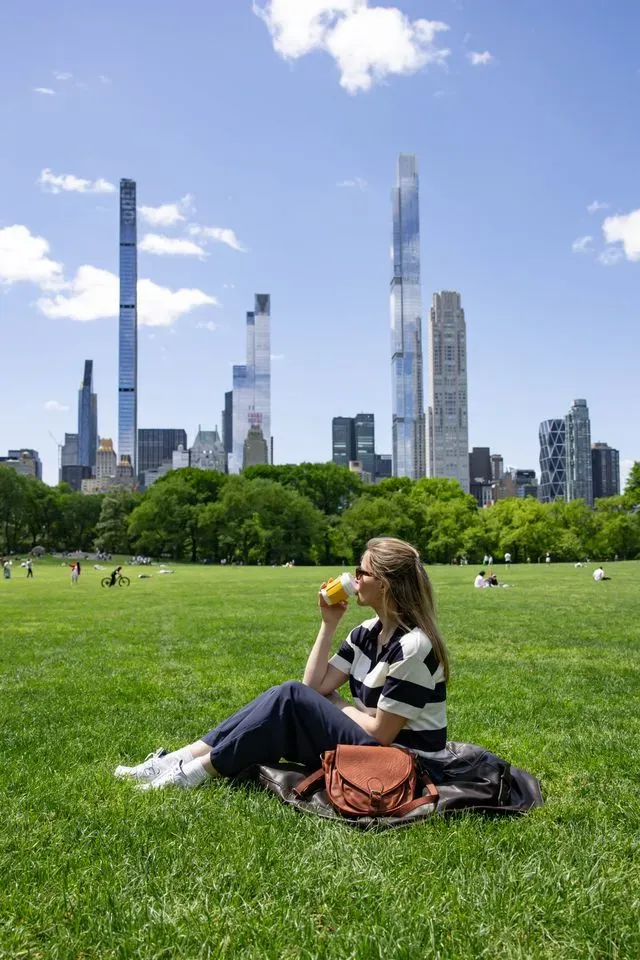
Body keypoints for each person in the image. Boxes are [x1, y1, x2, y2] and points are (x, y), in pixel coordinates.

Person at [114, 537, 450, 791]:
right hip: (372, 748)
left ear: (385, 584)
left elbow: (382, 733)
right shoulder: (366, 633)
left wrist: (336, 704)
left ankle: (191, 773)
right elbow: (315, 687)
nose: (354, 578)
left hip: (404, 766)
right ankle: (178, 762)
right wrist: (328, 623)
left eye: (362, 571)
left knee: (288, 696)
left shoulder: (414, 647)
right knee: (283, 695)